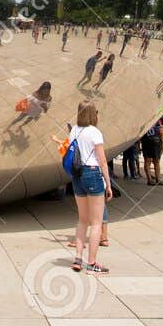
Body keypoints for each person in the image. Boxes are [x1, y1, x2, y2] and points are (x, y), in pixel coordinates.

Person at [66, 102, 111, 273]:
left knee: (82, 220)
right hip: (92, 173)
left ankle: (78, 259)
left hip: (77, 175)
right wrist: (108, 184)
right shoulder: (94, 132)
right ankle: (92, 263)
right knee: (96, 222)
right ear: (93, 114)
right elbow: (102, 161)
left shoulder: (74, 130)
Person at [140, 119, 163, 185]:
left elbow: (139, 135)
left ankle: (150, 180)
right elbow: (161, 132)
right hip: (155, 142)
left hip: (147, 142)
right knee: (156, 162)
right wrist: (162, 144)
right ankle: (156, 179)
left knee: (148, 161)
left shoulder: (142, 121)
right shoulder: (156, 120)